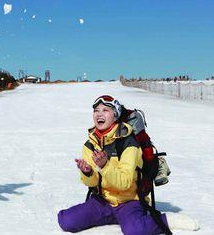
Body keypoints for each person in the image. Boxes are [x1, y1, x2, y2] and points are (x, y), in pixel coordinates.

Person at [57, 95, 199, 234]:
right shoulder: (90, 145)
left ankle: (166, 220)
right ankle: (116, 217)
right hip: (103, 201)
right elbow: (92, 182)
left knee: (134, 230)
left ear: (116, 115)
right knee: (66, 221)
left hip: (130, 201)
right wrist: (87, 172)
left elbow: (124, 182)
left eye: (105, 110)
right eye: (96, 110)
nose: (99, 114)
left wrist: (105, 165)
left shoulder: (129, 143)